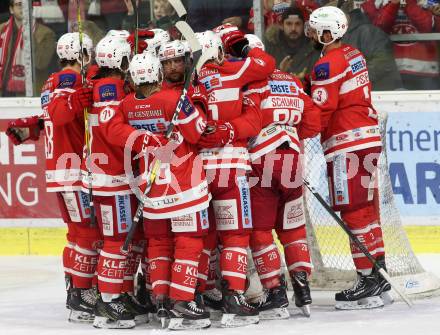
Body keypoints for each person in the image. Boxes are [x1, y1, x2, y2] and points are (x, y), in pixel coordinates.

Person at [100, 52, 212, 330]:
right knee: (189, 242)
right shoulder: (174, 99)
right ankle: (183, 303)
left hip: (151, 192)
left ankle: (161, 301)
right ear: (158, 75)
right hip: (185, 186)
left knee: (159, 245)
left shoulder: (126, 105)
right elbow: (198, 132)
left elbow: (111, 130)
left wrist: (144, 138)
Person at [6, 32, 100, 322]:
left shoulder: (53, 82)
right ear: (82, 55)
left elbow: (50, 121)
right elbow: (60, 116)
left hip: (62, 172)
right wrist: (78, 98)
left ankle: (75, 286)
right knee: (87, 233)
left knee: (76, 235)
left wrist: (30, 127)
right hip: (72, 172)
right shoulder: (67, 82)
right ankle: (81, 292)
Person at [308, 6, 391, 310]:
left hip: (346, 143)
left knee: (353, 212)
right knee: (367, 209)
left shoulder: (326, 64)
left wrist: (291, 128)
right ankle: (379, 273)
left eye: (315, 30)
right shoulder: (353, 53)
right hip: (366, 139)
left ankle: (366, 280)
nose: (311, 35)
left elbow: (320, 111)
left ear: (328, 33)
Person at [196, 27, 275, 327]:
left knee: (201, 237)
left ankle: (195, 296)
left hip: (198, 171)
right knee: (236, 236)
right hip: (231, 167)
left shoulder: (187, 83)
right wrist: (241, 47)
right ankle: (233, 298)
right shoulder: (232, 70)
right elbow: (266, 63)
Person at [242, 34, 321, 319]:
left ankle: (275, 294)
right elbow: (313, 121)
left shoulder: (248, 82)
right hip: (293, 159)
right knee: (293, 229)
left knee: (260, 231)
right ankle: (303, 291)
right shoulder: (291, 81)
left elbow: (241, 124)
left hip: (263, 160)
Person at [82, 35, 147, 329]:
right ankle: (107, 303)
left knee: (126, 240)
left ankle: (118, 292)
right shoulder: (110, 88)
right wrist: (142, 141)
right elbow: (112, 130)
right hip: (111, 179)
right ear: (120, 61)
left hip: (116, 178)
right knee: (116, 241)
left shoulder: (106, 85)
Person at [361, 0, 440, 90]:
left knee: (427, 103)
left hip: (424, 72)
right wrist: (394, 4)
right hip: (389, 72)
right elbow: (380, 29)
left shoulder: (430, 3)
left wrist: (409, 2)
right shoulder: (375, 3)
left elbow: (427, 26)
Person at [0, 0, 56, 96]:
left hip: (29, 94)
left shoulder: (46, 33)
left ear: (31, 8)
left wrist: (28, 33)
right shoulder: (2, 30)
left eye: (25, 5)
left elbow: (41, 63)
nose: (23, 8)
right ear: (11, 9)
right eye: (19, 4)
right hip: (3, 91)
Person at [264, 7, 320, 85]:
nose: (293, 28)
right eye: (289, 24)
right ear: (281, 25)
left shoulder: (315, 47)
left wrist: (304, 81)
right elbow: (263, 81)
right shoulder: (269, 47)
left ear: (304, 26)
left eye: (297, 24)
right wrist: (280, 72)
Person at [188, 0, 253, 32]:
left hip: (239, 41)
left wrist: (241, 20)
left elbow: (257, 17)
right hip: (208, 45)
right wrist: (214, 34)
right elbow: (194, 25)